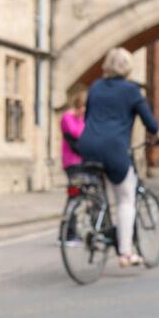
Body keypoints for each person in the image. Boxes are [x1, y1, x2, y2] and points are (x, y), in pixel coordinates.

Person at [75, 48, 159, 268]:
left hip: (87, 145)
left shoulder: (95, 87)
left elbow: (88, 117)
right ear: (127, 67)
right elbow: (149, 122)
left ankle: (96, 220)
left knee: (101, 188)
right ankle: (125, 252)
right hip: (113, 148)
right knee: (126, 199)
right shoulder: (131, 90)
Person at [59, 89, 88, 245]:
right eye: (84, 107)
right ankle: (66, 234)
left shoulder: (81, 118)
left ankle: (72, 232)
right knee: (74, 196)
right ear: (79, 105)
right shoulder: (67, 117)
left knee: (79, 197)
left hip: (81, 161)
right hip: (71, 162)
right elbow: (77, 133)